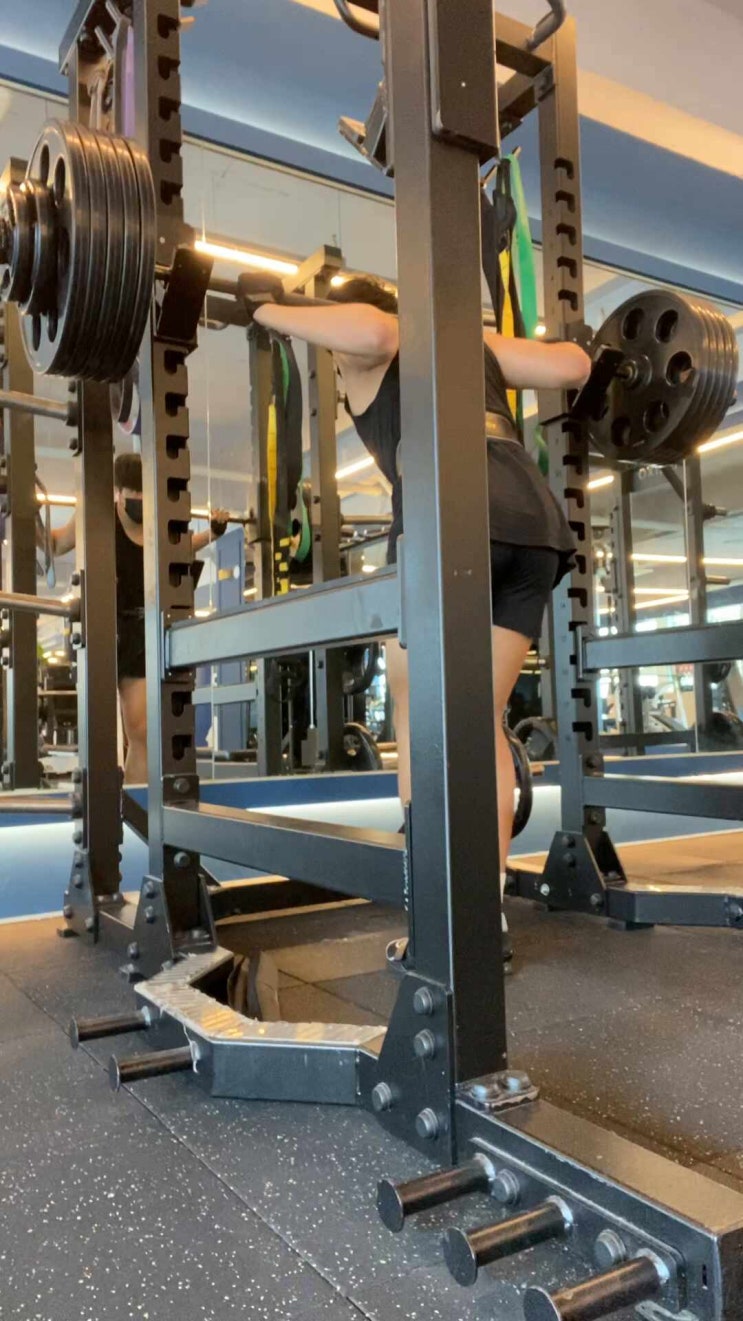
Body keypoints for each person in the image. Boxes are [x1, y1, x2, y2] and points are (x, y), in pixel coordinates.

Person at [249, 277, 591, 959]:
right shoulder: (467, 341)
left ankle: (437, 910)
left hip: (451, 515)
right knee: (479, 721)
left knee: (421, 720)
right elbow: (574, 366)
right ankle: (483, 906)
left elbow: (375, 331)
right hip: (532, 525)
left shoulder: (371, 346)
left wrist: (265, 311)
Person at [46, 453, 229, 785]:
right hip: (101, 628)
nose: (141, 502)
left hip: (139, 631)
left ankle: (134, 805)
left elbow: (180, 548)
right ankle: (100, 803)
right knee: (101, 735)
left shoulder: (157, 520)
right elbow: (56, 544)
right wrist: (28, 517)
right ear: (117, 493)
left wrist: (212, 534)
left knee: (142, 732)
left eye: (146, 495)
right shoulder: (95, 515)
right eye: (134, 496)